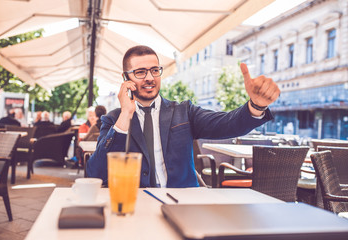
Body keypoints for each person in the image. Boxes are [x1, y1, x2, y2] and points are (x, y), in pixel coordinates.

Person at [87, 45, 280, 188]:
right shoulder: (113, 119)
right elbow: (96, 173)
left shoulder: (184, 111)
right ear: (126, 78)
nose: (149, 77)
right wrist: (125, 115)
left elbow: (226, 124)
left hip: (183, 202)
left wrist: (256, 105)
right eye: (140, 72)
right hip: (136, 204)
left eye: (154, 70)